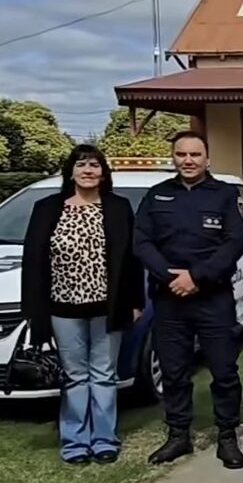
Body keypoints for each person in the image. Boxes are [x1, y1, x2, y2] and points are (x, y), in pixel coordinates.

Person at [21, 144, 144, 465]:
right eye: (81, 165)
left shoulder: (118, 208)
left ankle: (104, 439)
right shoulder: (48, 207)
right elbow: (33, 262)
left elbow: (131, 260)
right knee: (75, 376)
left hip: (108, 307)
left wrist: (134, 301)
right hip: (62, 309)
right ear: (71, 171)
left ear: (104, 173)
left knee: (103, 374)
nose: (88, 171)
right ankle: (75, 441)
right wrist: (35, 311)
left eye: (94, 165)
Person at [134, 131, 243, 470]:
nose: (188, 160)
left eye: (195, 155)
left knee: (224, 370)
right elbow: (141, 242)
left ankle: (227, 436)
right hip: (169, 300)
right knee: (173, 371)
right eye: (181, 154)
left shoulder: (225, 195)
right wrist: (171, 278)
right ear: (174, 158)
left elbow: (234, 243)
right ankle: (178, 435)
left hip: (213, 298)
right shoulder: (157, 196)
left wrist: (196, 277)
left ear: (207, 159)